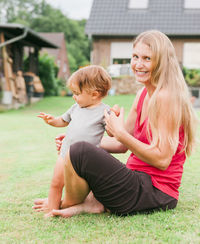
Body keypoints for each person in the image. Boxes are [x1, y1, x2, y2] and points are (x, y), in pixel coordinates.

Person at [34, 30, 197, 218]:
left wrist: (119, 134)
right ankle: (89, 204)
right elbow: (121, 145)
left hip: (156, 191)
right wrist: (79, 139)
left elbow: (162, 160)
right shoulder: (143, 94)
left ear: (161, 62)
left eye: (147, 58)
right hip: (135, 179)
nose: (138, 64)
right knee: (80, 148)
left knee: (80, 151)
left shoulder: (166, 97)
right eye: (135, 56)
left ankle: (65, 205)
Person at [36, 65, 117, 217]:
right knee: (56, 183)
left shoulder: (104, 112)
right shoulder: (75, 108)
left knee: (91, 187)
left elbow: (112, 134)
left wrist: (114, 121)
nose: (74, 96)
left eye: (77, 93)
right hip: (65, 153)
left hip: (87, 161)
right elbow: (62, 121)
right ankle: (53, 210)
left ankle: (92, 204)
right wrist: (52, 120)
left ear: (94, 94)